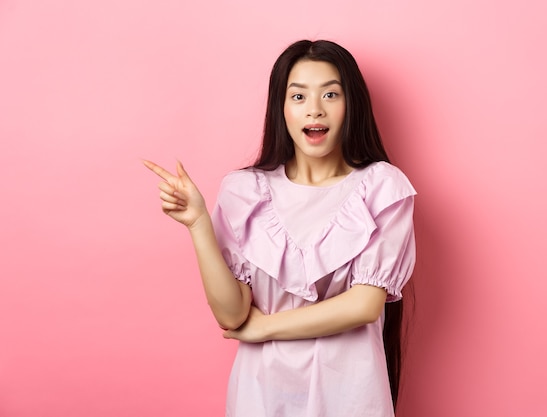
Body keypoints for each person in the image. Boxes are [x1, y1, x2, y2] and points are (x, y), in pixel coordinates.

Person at [144, 39, 416, 417]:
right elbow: (232, 315)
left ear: (352, 104)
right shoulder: (245, 192)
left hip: (350, 395)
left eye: (331, 94)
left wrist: (266, 328)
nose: (315, 110)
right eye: (299, 97)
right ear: (281, 108)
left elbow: (364, 305)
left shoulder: (382, 187)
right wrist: (198, 223)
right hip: (261, 395)